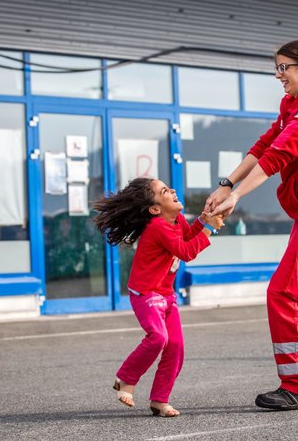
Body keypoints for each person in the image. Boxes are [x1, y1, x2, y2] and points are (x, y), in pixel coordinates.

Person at [206, 39, 298, 410]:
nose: (278, 75)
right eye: (276, 68)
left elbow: (277, 156)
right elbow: (265, 144)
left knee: (284, 294)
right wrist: (226, 184)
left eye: (284, 68)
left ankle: (296, 387)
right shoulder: (294, 104)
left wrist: (237, 197)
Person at [93, 177, 224, 417]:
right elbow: (186, 252)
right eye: (165, 191)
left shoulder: (175, 220)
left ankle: (159, 400)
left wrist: (204, 220)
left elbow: (187, 237)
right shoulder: (158, 226)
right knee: (158, 338)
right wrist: (210, 228)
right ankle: (125, 379)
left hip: (165, 294)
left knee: (176, 346)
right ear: (155, 209)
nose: (172, 190)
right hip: (146, 294)